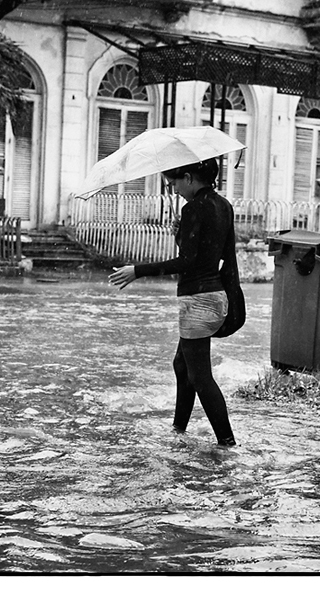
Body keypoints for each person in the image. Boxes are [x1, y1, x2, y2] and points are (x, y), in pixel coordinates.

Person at [108, 158, 237, 446]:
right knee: (182, 364)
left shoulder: (193, 208)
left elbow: (187, 261)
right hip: (216, 295)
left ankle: (227, 444)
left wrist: (137, 271)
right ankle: (178, 431)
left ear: (189, 178)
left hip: (198, 300)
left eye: (174, 182)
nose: (174, 189)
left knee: (201, 377)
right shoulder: (224, 206)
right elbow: (221, 256)